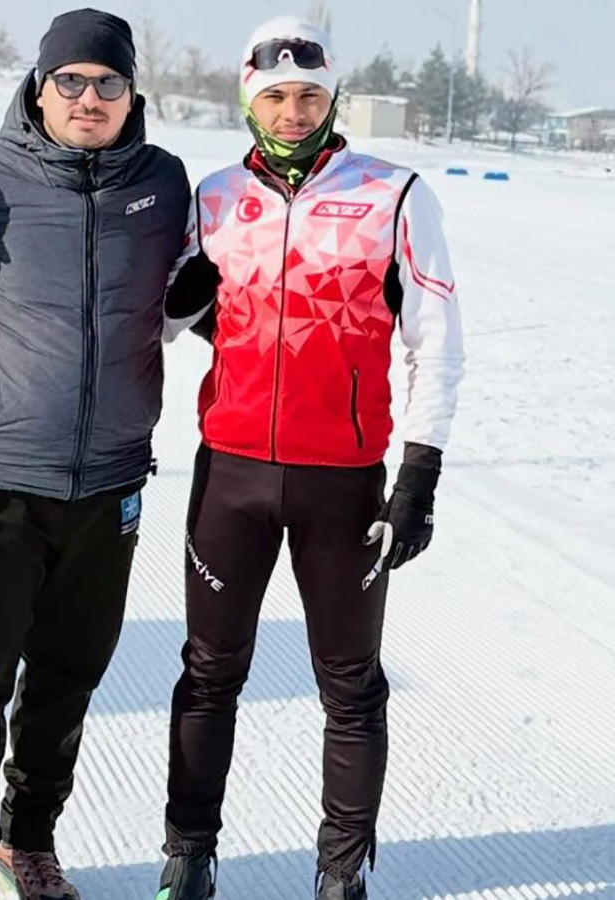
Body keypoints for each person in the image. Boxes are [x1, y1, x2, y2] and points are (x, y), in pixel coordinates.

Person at [154, 17, 466, 900]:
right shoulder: (212, 197)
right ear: (249, 101)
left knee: (351, 684)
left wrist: (419, 476)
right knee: (209, 672)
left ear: (333, 99)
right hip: (233, 475)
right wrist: (182, 302)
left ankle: (340, 872)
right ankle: (188, 854)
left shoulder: (396, 194)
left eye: (310, 97)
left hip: (344, 483)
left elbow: (437, 344)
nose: (293, 113)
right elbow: (163, 327)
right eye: (276, 97)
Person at [0, 9, 191, 900]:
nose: (88, 97)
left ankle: (27, 837)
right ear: (39, 86)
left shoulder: (164, 183)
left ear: (132, 93)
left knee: (70, 672)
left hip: (111, 477)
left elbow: (193, 302)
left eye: (108, 82)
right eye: (69, 80)